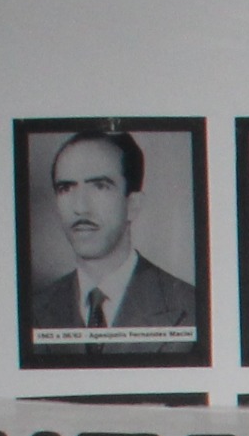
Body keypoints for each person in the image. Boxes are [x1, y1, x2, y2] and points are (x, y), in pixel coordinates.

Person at [26, 125, 194, 344]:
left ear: (132, 205)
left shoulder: (191, 307)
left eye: (100, 186)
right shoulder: (32, 311)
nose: (80, 207)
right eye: (66, 188)